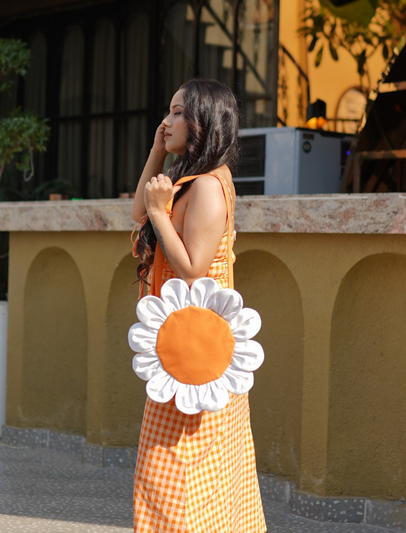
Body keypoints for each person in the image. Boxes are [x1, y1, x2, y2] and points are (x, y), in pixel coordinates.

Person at [132, 78, 266, 533]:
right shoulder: (189, 177)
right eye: (167, 113)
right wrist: (158, 154)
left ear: (202, 121)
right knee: (186, 473)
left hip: (196, 353)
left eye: (175, 113)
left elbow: (192, 269)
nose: (165, 122)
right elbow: (138, 211)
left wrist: (157, 213)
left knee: (175, 474)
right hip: (183, 347)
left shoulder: (208, 186)